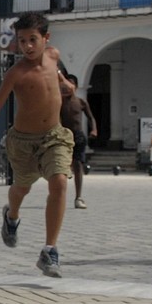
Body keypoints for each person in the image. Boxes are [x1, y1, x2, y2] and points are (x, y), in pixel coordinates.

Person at [0, 11, 74, 278]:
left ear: (45, 39)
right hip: (23, 141)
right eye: (22, 40)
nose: (27, 46)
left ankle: (50, 250)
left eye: (32, 39)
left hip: (53, 136)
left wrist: (66, 86)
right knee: (22, 188)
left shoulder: (53, 56)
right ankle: (12, 215)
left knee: (60, 182)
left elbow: (61, 82)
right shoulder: (15, 73)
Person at [59, 74, 97, 208]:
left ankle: (78, 197)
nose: (67, 87)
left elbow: (91, 117)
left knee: (78, 165)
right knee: (60, 167)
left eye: (70, 84)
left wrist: (94, 130)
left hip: (78, 135)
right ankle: (58, 196)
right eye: (65, 84)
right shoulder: (59, 101)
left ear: (75, 86)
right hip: (63, 136)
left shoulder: (81, 102)